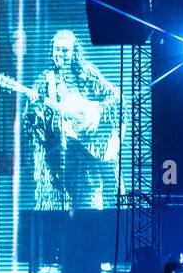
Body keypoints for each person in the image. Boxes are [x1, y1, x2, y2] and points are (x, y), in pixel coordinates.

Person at [19, 30, 122, 210]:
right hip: (60, 156)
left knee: (92, 204)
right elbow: (33, 121)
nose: (60, 54)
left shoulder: (88, 74)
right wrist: (36, 111)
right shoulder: (46, 80)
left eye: (65, 50)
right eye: (57, 50)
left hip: (91, 151)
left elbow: (115, 96)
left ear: (74, 52)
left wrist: (97, 112)